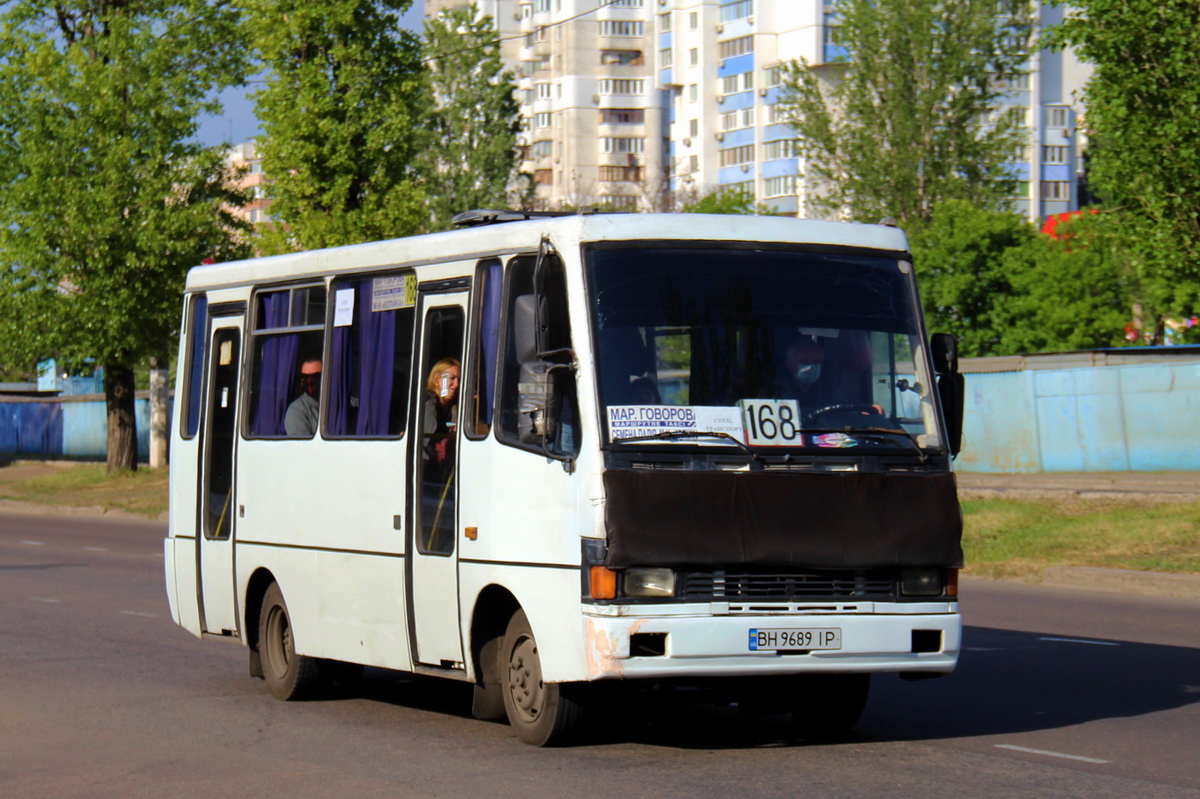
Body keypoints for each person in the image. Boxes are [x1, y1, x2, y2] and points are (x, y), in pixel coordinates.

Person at [423, 357, 461, 476]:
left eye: (459, 379)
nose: (457, 384)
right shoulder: (424, 403)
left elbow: (446, 426)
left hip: (442, 468)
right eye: (452, 378)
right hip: (424, 465)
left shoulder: (455, 407)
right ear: (437, 380)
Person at [284, 357, 321, 437]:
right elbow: (303, 447)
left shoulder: (342, 404)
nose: (310, 381)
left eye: (315, 376)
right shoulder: (297, 410)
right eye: (305, 377)